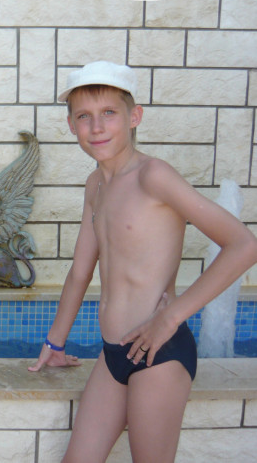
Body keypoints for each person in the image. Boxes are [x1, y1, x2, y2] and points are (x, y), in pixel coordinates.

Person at [28, 61, 257, 463]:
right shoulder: (95, 185)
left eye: (109, 113)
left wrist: (171, 317)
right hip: (114, 352)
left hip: (159, 353)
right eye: (84, 116)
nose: (97, 127)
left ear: (134, 117)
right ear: (70, 125)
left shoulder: (154, 176)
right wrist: (55, 341)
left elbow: (243, 245)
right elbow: (81, 270)